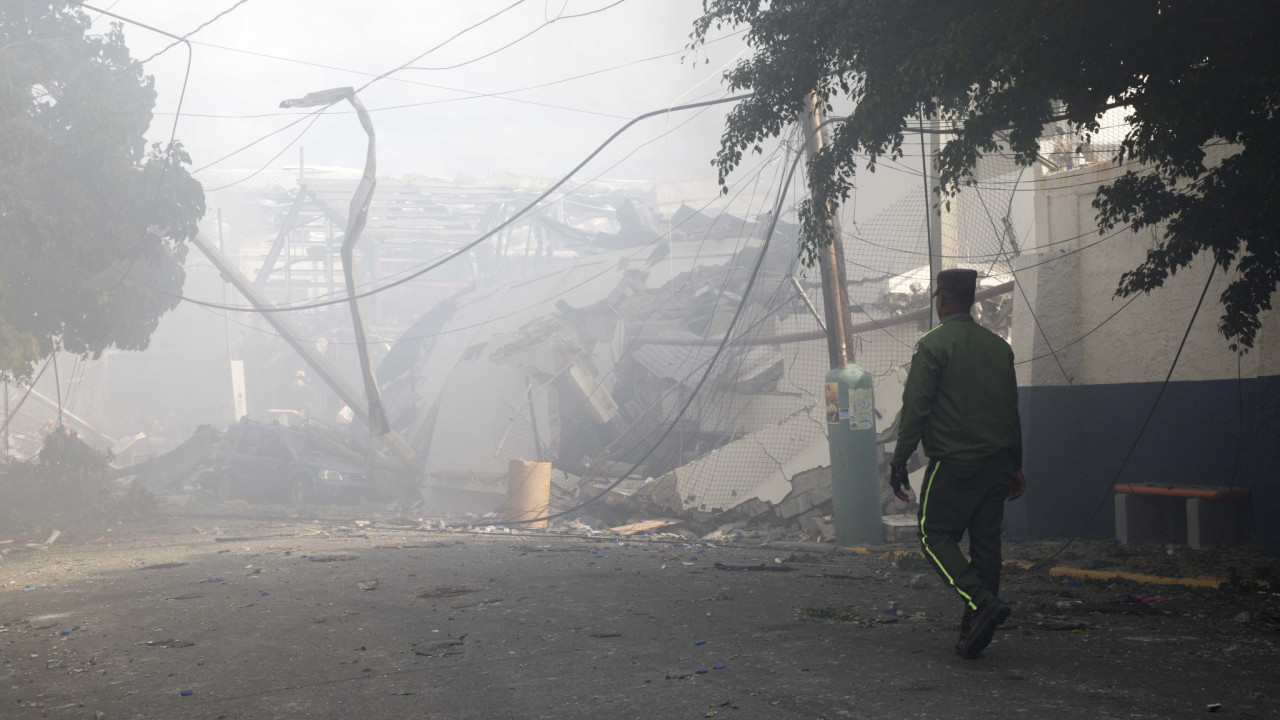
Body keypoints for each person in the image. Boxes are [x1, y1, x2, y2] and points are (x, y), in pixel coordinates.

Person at [889, 268, 1026, 659]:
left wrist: (899, 461)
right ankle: (973, 628)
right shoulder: (1000, 348)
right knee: (986, 546)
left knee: (933, 536)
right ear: (972, 300)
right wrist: (1016, 463)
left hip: (954, 466)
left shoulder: (933, 344)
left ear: (943, 300)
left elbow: (915, 408)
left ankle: (982, 603)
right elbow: (1010, 411)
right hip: (997, 464)